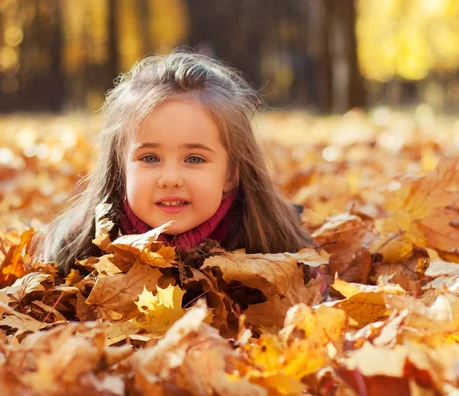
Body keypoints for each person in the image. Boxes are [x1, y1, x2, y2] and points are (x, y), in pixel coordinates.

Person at [38, 50, 313, 276]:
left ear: (230, 174)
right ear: (120, 168)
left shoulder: (269, 244)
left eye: (194, 159)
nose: (170, 178)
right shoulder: (79, 246)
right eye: (150, 158)